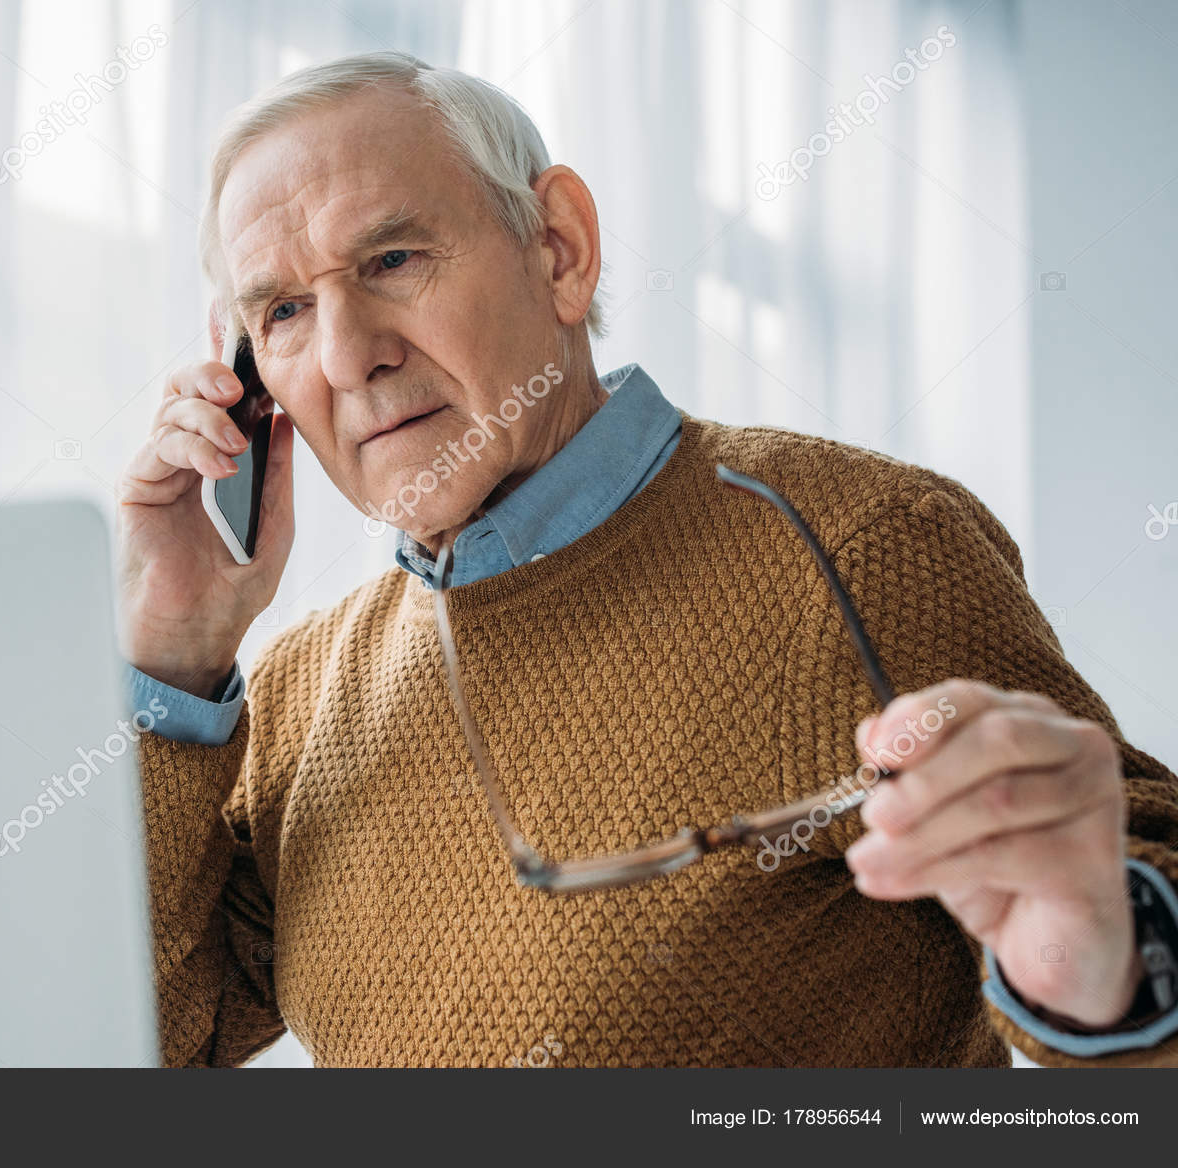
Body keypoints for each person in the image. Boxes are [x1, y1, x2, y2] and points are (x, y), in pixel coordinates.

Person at [115, 51, 1178, 1067]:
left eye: (392, 260)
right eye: (285, 312)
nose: (348, 355)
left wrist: (1102, 972)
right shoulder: (297, 691)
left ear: (560, 249)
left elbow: (1120, 892)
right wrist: (172, 651)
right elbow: (150, 1046)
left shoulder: (859, 541)